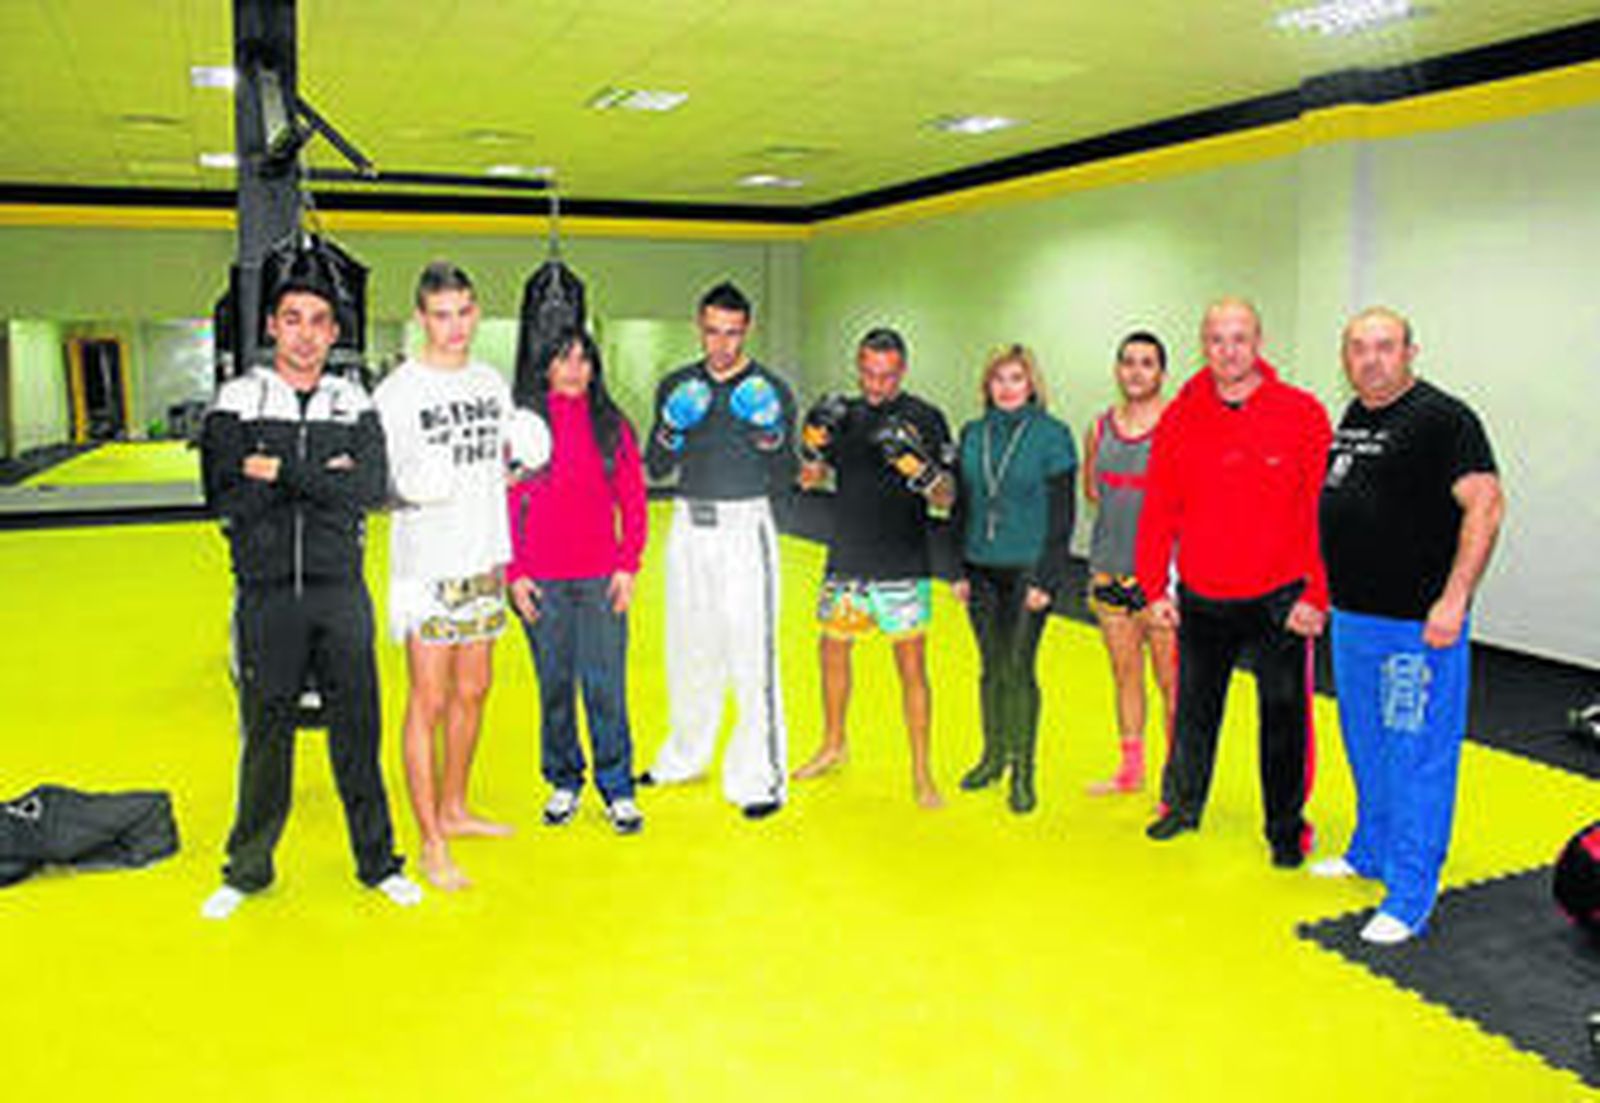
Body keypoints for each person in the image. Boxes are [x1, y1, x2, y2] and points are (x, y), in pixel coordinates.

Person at [199, 251, 420, 919]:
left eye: (318, 321)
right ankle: (247, 868)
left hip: (339, 592)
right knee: (266, 733)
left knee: (358, 732)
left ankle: (378, 863)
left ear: (334, 332)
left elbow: (367, 489)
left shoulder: (354, 401)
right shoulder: (237, 400)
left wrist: (279, 470)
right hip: (266, 593)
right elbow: (224, 494)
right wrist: (323, 475)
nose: (304, 334)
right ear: (272, 325)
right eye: (292, 319)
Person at [1315, 307, 1503, 944]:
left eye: (1385, 346)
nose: (1370, 359)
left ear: (1410, 352)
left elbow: (1486, 506)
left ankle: (1411, 892)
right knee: (1366, 743)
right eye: (1358, 348)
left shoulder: (1445, 419)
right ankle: (1370, 850)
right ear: (1346, 357)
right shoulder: (1356, 416)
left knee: (1415, 753)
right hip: (1354, 618)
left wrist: (1454, 598)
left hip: (1415, 629)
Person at [1136, 298, 1332, 868]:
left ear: (1258, 342)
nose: (1228, 351)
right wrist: (1153, 587)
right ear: (1204, 345)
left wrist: (1318, 595)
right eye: (1217, 339)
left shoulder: (1301, 412)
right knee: (1193, 710)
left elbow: (1323, 511)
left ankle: (1284, 828)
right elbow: (1159, 507)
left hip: (1281, 597)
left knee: (1283, 718)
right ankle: (1182, 805)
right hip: (1203, 592)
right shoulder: (1180, 416)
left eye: (1239, 338)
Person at [372, 261, 549, 891]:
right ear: (421, 318)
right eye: (441, 315)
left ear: (476, 312)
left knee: (474, 690)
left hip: (484, 559)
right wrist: (406, 490)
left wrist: (521, 463)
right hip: (428, 570)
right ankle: (430, 842)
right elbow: (372, 484)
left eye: (464, 312)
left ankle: (454, 807)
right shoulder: (397, 392)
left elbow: (498, 463)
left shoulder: (488, 380)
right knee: (430, 700)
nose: (455, 327)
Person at [640, 282, 798, 819]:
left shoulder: (769, 389)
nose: (722, 345)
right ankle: (685, 755)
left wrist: (769, 431)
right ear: (699, 327)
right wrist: (671, 426)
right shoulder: (677, 385)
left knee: (751, 652)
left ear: (746, 330)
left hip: (744, 525)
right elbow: (657, 466)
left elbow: (786, 476)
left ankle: (760, 777)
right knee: (688, 646)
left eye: (732, 333)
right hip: (689, 521)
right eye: (713, 332)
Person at [791, 327, 954, 808]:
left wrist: (920, 468)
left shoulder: (926, 418)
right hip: (847, 557)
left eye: (887, 375)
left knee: (911, 667)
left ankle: (922, 771)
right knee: (833, 651)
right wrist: (812, 447)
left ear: (902, 370)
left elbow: (946, 498)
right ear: (858, 367)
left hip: (902, 560)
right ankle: (833, 744)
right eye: (868, 373)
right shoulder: (844, 415)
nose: (877, 384)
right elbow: (809, 480)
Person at [507, 328, 649, 835]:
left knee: (605, 685)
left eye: (583, 360)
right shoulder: (522, 427)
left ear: (594, 369)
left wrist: (628, 565)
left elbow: (633, 499)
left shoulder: (612, 427)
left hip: (599, 578)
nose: (573, 369)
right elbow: (506, 504)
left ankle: (618, 788)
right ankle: (564, 778)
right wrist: (515, 573)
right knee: (555, 686)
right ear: (546, 367)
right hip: (542, 580)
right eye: (563, 359)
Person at [950, 344, 1077, 814]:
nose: (1007, 387)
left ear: (1031, 385)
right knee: (990, 667)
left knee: (1018, 669)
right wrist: (956, 568)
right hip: (979, 568)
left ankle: (1023, 772)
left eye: (1016, 379)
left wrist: (1047, 578)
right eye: (999, 378)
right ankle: (992, 757)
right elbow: (961, 506)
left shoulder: (1053, 435)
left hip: (1028, 571)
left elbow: (1062, 516)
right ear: (988, 385)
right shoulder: (972, 433)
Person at [1082, 331, 1178, 796]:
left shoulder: (1179, 427)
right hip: (1108, 570)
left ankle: (1177, 778)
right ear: (1117, 369)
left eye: (1146, 363)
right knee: (1125, 674)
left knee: (1171, 682)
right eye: (1128, 362)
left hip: (1161, 581)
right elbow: (1093, 491)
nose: (1136, 371)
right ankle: (1130, 770)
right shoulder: (1099, 427)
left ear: (1162, 372)